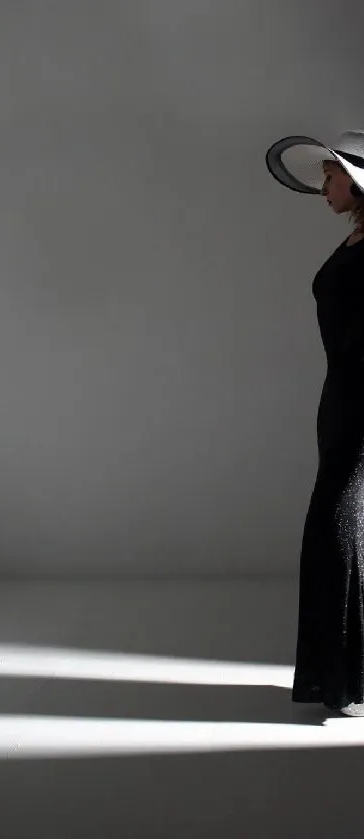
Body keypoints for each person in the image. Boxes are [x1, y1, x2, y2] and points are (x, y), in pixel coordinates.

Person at [266, 130, 364, 716]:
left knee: (338, 518)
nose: (323, 184)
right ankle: (343, 678)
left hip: (361, 397)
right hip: (343, 396)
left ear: (356, 180)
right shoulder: (355, 238)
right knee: (344, 518)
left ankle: (348, 681)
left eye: (330, 173)